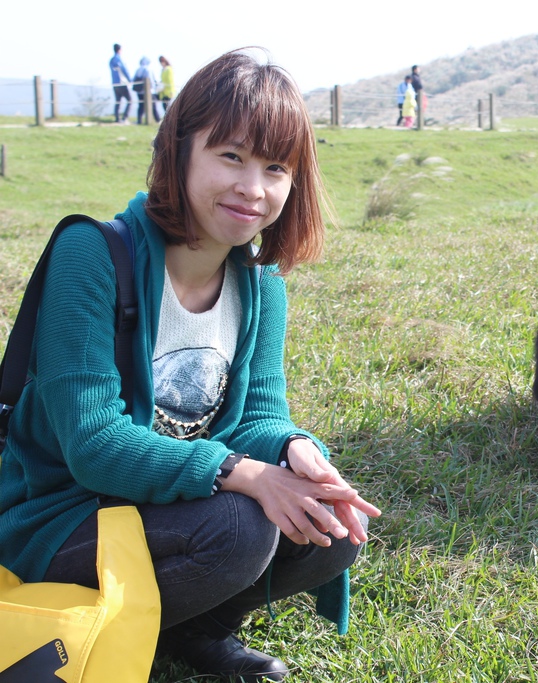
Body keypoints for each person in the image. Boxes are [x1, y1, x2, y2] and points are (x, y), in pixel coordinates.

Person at [0, 48, 381, 682]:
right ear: (179, 151)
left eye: (275, 167)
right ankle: (119, 632)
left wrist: (292, 450)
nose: (252, 188)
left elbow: (259, 413)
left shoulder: (260, 282)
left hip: (165, 505)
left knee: (331, 524)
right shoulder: (91, 254)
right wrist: (241, 471)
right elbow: (94, 445)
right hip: (60, 512)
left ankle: (192, 632)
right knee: (240, 527)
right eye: (230, 156)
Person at [132, 56, 161, 124]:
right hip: (149, 91)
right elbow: (151, 81)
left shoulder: (138, 69)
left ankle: (139, 120)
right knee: (153, 106)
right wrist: (155, 89)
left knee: (141, 106)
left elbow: (133, 79)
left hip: (139, 92)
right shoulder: (148, 69)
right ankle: (158, 120)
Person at [110, 43, 132, 123]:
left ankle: (117, 118)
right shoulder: (119, 59)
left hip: (114, 83)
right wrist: (130, 79)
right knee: (130, 100)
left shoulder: (111, 60)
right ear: (119, 50)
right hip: (121, 83)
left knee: (118, 101)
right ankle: (124, 118)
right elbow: (124, 70)